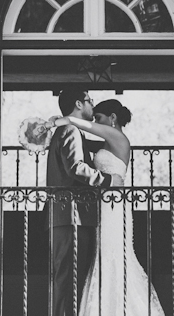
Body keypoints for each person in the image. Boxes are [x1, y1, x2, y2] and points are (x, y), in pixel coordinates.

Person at [47, 99, 165, 316]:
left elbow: (84, 127)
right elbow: (79, 144)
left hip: (113, 207)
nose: (95, 122)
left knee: (112, 257)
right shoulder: (105, 142)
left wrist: (58, 121)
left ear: (112, 118)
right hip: (102, 207)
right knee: (102, 258)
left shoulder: (117, 137)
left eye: (99, 118)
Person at [45, 87, 117, 316]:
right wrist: (109, 180)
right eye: (90, 100)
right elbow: (75, 167)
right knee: (68, 279)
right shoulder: (69, 130)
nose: (92, 105)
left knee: (70, 279)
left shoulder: (71, 130)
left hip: (70, 215)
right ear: (79, 103)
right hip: (70, 215)